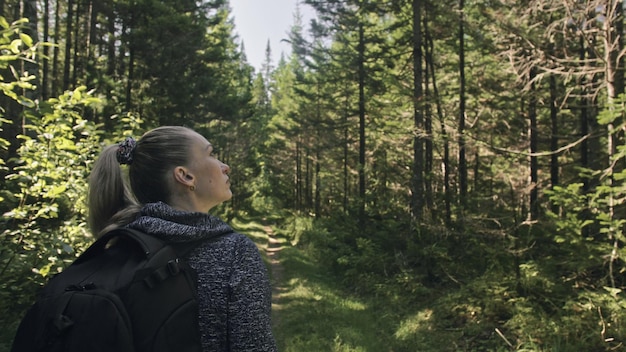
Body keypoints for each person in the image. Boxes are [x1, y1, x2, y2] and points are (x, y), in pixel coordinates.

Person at [87, 125, 277, 352]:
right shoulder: (235, 253)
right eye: (211, 154)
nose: (225, 167)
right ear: (185, 176)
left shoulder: (117, 245)